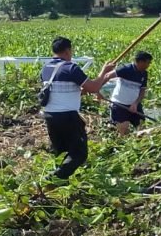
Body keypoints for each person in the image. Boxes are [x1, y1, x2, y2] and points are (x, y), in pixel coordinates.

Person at [40, 37, 115, 179]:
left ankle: (59, 185)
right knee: (79, 153)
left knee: (61, 152)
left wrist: (84, 89)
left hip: (50, 115)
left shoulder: (46, 68)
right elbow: (93, 87)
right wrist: (104, 72)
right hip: (67, 117)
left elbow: (60, 90)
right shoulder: (71, 68)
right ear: (68, 50)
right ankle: (53, 178)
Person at [102, 50, 153, 135]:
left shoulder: (144, 74)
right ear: (140, 62)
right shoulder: (125, 69)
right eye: (148, 63)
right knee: (123, 130)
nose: (148, 65)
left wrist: (135, 103)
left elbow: (142, 90)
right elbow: (107, 76)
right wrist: (97, 91)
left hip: (134, 105)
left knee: (142, 128)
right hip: (119, 105)